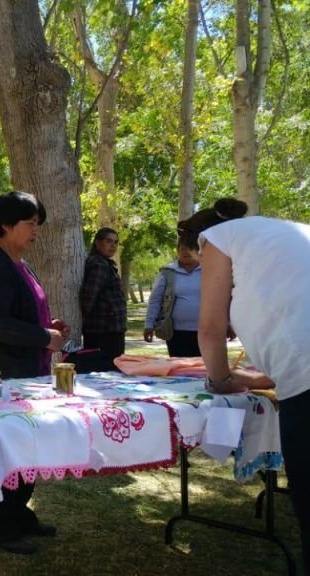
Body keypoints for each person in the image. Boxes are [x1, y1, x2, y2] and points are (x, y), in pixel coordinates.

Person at [177, 197, 310, 574]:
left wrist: (220, 380)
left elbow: (210, 328)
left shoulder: (217, 239)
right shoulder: (286, 234)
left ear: (198, 243)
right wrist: (250, 379)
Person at [0, 191, 69, 555]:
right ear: (6, 225)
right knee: (7, 452)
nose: (36, 230)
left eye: (38, 224)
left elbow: (19, 313)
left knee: (27, 447)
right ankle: (2, 529)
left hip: (22, 369)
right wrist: (44, 337)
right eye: (30, 223)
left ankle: (19, 515)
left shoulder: (17, 261)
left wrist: (47, 327)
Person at [143, 240, 202, 357]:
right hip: (175, 332)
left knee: (203, 366)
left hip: (206, 331)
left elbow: (222, 299)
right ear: (177, 251)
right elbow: (155, 299)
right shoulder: (168, 272)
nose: (186, 252)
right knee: (179, 366)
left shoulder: (209, 270)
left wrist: (227, 324)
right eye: (183, 249)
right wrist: (149, 325)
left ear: (198, 251)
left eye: (191, 249)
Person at [79, 227, 127, 361]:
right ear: (97, 243)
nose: (113, 246)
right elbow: (89, 296)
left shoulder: (105, 263)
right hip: (104, 330)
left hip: (111, 328)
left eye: (116, 242)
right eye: (108, 241)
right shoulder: (99, 265)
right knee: (107, 366)